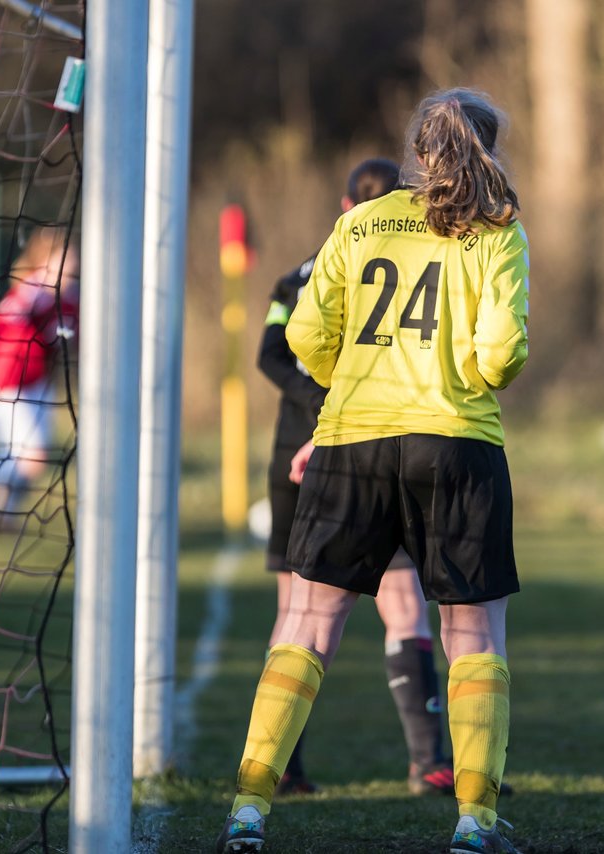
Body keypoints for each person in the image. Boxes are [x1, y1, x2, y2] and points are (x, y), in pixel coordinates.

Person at [218, 88, 528, 854]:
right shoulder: (499, 229)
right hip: (456, 444)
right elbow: (501, 354)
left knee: (306, 627)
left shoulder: (358, 221)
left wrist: (354, 375)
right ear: (487, 150)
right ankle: (474, 822)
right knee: (473, 634)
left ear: (419, 153)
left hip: (351, 441)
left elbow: (309, 334)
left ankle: (250, 809)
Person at [257, 157, 458, 797]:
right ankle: (429, 761)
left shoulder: (299, 277)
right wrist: (333, 401)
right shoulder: (417, 262)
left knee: (299, 611)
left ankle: (276, 764)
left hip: (315, 449)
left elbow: (274, 351)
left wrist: (315, 396)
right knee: (403, 606)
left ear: (347, 204)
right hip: (366, 445)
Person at [0, 227, 78, 517]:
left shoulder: (72, 299)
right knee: (32, 457)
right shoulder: (32, 292)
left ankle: (1, 509)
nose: (72, 264)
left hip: (37, 384)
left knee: (27, 457)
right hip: (5, 384)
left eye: (73, 258)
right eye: (65, 258)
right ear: (46, 261)